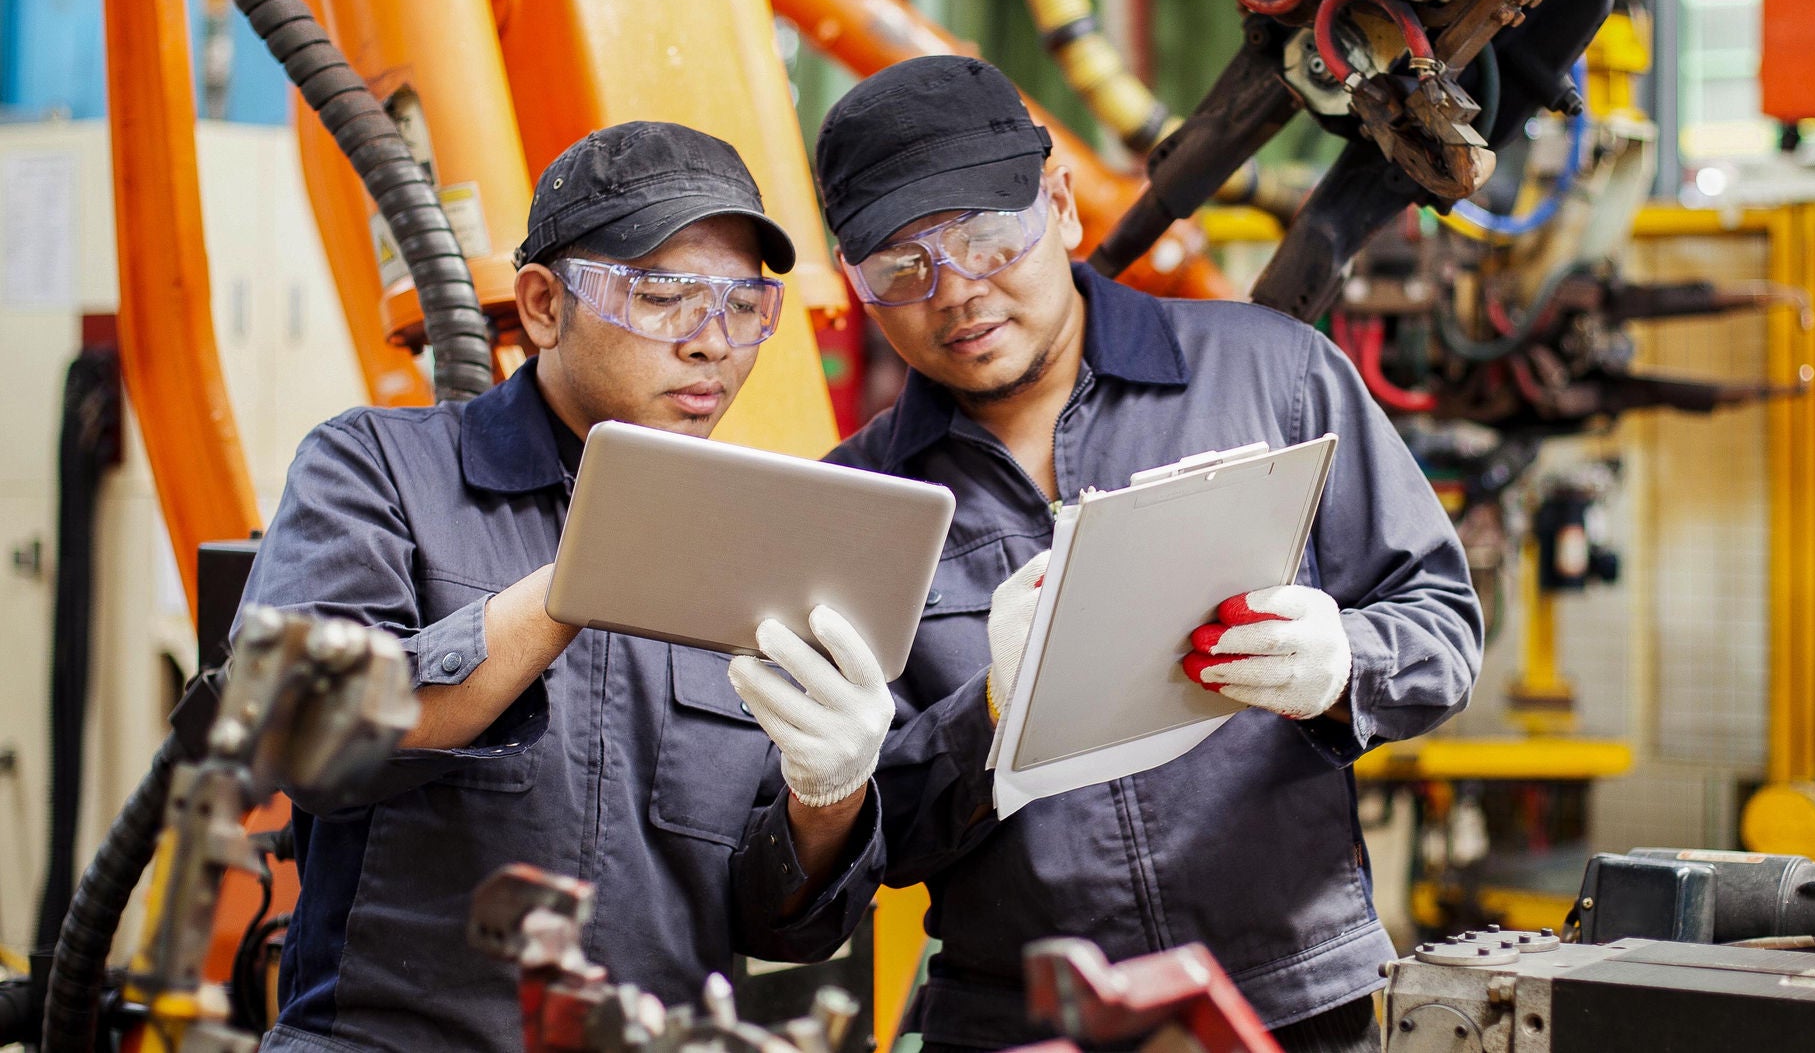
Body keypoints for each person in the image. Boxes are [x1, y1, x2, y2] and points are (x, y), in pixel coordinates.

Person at [817, 57, 1484, 1053]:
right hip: (1017, 1024)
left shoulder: (1273, 374)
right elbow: (876, 840)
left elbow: (1440, 626)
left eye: (987, 240)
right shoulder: (857, 508)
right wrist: (988, 714)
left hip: (1295, 1005)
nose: (955, 295)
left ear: (1060, 205)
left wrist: (1347, 661)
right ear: (854, 283)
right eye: (901, 270)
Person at [240, 122, 895, 1052]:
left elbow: (780, 925)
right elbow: (298, 736)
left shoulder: (767, 538)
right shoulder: (377, 470)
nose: (711, 343)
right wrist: (588, 568)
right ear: (545, 306)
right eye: (665, 296)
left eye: (744, 305)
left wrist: (828, 798)